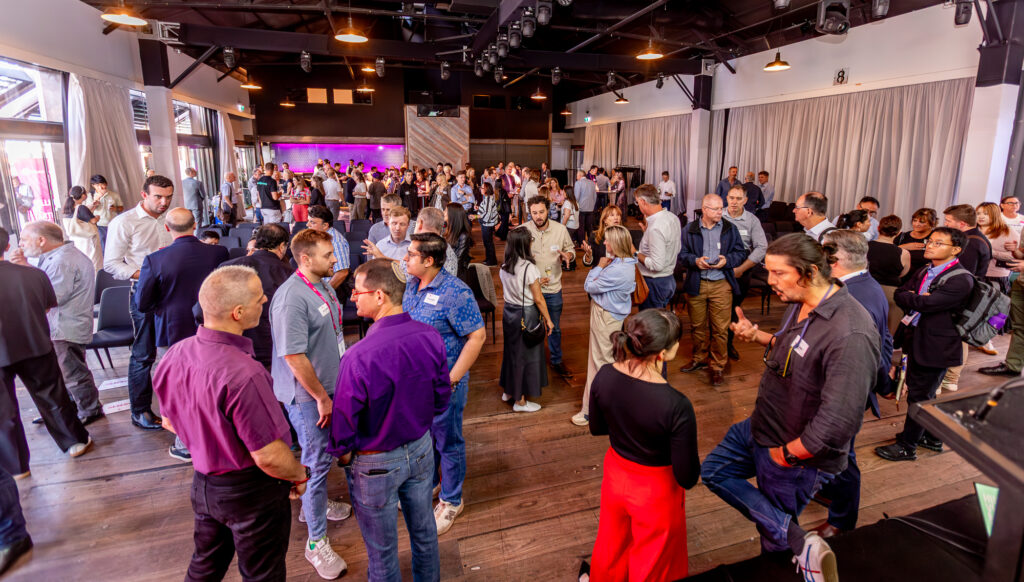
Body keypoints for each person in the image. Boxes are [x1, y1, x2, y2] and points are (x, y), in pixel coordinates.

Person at [704, 233, 880, 582]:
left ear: (810, 272)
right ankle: (799, 539)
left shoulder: (850, 333)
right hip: (762, 425)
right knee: (714, 471)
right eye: (769, 271)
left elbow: (839, 420)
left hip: (792, 449)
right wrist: (757, 336)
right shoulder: (801, 303)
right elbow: (795, 349)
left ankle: (793, 561)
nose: (770, 281)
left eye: (778, 273)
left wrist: (787, 455)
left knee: (774, 544)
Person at [153, 266, 309, 581]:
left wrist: (207, 440)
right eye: (258, 297)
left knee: (205, 566)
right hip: (250, 491)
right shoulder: (245, 374)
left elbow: (168, 421)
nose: (265, 300)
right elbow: (268, 456)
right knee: (262, 574)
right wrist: (298, 474)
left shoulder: (174, 355)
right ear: (238, 313)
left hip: (204, 483)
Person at [329, 259, 450, 582]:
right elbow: (441, 397)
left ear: (379, 296)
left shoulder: (358, 355)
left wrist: (343, 455)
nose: (352, 297)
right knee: (425, 533)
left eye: (357, 291)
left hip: (375, 462)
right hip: (421, 449)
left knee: (382, 552)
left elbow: (343, 421)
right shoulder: (430, 336)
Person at [587, 309, 699, 582]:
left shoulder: (604, 375)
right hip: (655, 489)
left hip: (616, 474)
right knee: (652, 562)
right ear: (663, 353)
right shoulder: (676, 405)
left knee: (611, 547)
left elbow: (597, 428)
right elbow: (687, 477)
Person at [270, 229, 351, 579]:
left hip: (328, 388)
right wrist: (321, 397)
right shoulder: (291, 298)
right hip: (308, 396)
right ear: (305, 259)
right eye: (328, 254)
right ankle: (316, 543)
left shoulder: (324, 285)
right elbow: (293, 356)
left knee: (322, 460)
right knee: (315, 464)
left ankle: (312, 504)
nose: (335, 260)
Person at [403, 232, 485, 535]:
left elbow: (477, 337)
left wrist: (452, 379)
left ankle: (452, 499)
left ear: (428, 260)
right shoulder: (412, 284)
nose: (405, 258)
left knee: (449, 441)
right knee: (427, 437)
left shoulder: (456, 292)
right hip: (416, 381)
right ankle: (435, 483)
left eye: (411, 254)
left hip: (444, 382)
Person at [815, 229, 893, 537]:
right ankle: (828, 490)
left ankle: (841, 521)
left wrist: (880, 384)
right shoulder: (863, 284)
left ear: (835, 260)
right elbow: (885, 338)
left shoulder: (855, 296)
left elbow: (868, 350)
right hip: (841, 385)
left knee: (842, 455)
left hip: (845, 391)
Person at [0, 226, 93, 478]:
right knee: (52, 396)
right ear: (7, 246)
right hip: (34, 342)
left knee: (2, 410)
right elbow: (48, 305)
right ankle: (75, 442)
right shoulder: (33, 274)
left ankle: (16, 467)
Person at [875, 227, 974, 462]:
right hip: (918, 338)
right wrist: (917, 299)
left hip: (937, 347)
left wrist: (917, 299)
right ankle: (931, 437)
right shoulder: (925, 269)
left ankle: (907, 446)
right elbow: (900, 293)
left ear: (955, 250)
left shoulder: (961, 279)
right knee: (921, 392)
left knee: (920, 397)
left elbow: (925, 304)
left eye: (938, 243)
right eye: (930, 241)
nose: (929, 245)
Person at [13, 222, 104, 426]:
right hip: (61, 325)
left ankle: (90, 410)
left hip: (66, 326)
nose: (20, 244)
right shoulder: (58, 257)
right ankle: (69, 409)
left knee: (73, 373)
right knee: (62, 372)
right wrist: (26, 267)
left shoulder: (62, 261)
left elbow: (50, 298)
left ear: (41, 240)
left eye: (24, 239)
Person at [103, 174, 174, 430]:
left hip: (174, 292)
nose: (164, 202)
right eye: (158, 197)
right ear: (144, 195)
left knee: (177, 349)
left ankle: (180, 407)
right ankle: (140, 410)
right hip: (144, 292)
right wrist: (146, 275)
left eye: (168, 197)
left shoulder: (172, 218)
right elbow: (111, 264)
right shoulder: (124, 222)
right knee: (144, 354)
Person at [678, 194, 749, 386]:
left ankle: (718, 365)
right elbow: (681, 255)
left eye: (721, 208)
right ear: (705, 210)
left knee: (720, 329)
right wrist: (695, 261)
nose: (721, 212)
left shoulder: (729, 229)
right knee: (697, 327)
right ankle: (699, 359)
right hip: (697, 284)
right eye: (716, 209)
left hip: (721, 285)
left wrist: (728, 261)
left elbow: (740, 253)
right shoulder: (689, 229)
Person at [572, 226, 637, 427]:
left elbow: (589, 286)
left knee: (599, 364)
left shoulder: (617, 269)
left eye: (608, 240)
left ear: (616, 243)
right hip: (611, 315)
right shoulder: (625, 262)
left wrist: (599, 267)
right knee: (604, 361)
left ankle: (594, 411)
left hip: (605, 317)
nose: (605, 243)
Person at [499, 227, 554, 413]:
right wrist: (548, 320)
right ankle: (520, 401)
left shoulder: (504, 266)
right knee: (524, 357)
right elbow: (538, 299)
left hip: (509, 313)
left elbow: (516, 287)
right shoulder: (529, 268)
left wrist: (537, 282)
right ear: (525, 244)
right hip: (526, 315)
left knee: (511, 353)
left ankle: (509, 390)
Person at [222, 224, 292, 370]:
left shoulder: (227, 268)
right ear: (282, 247)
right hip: (275, 352)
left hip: (232, 350)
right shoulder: (290, 275)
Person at [939, 204, 991, 392]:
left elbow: (962, 275)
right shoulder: (975, 238)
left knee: (957, 337)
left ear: (962, 223)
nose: (945, 224)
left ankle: (950, 377)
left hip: (963, 296)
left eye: (948, 221)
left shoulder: (971, 243)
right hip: (966, 295)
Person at [524, 196, 577, 378]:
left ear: (548, 211)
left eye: (541, 212)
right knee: (531, 328)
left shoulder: (560, 230)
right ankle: (534, 363)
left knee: (554, 327)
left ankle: (556, 360)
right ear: (529, 213)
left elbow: (570, 249)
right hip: (530, 290)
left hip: (553, 289)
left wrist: (569, 256)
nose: (538, 216)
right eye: (534, 213)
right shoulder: (523, 230)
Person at [723, 186, 768, 361]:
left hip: (742, 268)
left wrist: (741, 269)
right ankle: (712, 346)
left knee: (734, 309)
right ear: (726, 198)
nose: (734, 202)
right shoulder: (719, 215)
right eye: (731, 198)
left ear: (745, 200)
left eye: (738, 198)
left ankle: (728, 345)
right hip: (719, 267)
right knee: (715, 309)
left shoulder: (752, 220)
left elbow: (761, 247)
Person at [636, 184, 682, 310]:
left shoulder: (656, 227)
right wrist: (648, 235)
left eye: (637, 203)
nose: (638, 206)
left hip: (654, 284)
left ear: (643, 202)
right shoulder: (673, 218)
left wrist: (634, 252)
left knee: (651, 321)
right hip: (669, 280)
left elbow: (657, 265)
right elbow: (677, 248)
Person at [871, 215, 912, 335]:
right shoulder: (903, 253)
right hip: (890, 297)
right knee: (887, 335)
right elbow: (903, 273)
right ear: (898, 233)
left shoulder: (863, 246)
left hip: (865, 290)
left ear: (878, 228)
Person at [306, 205, 351, 291]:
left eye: (312, 222)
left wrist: (325, 293)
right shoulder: (318, 236)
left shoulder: (336, 241)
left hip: (327, 290)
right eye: (308, 221)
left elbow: (342, 273)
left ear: (325, 225)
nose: (307, 225)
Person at [62, 186, 103, 271]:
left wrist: (93, 207)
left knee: (84, 261)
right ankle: (96, 278)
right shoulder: (81, 207)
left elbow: (81, 218)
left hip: (77, 240)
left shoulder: (68, 208)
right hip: (88, 239)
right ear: (83, 196)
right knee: (94, 261)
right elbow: (93, 221)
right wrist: (98, 217)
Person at [894, 208, 937, 283]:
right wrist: (904, 247)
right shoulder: (902, 236)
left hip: (924, 280)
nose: (916, 224)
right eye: (915, 220)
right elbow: (889, 254)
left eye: (922, 222)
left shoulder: (936, 238)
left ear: (932, 223)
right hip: (899, 280)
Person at [89, 174, 123, 246]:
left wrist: (115, 208)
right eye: (97, 185)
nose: (100, 187)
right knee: (103, 245)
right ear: (93, 185)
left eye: (102, 184)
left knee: (116, 244)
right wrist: (97, 199)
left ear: (106, 184)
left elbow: (121, 208)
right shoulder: (90, 196)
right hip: (99, 225)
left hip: (113, 223)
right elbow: (88, 211)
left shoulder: (114, 195)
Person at [445, 202, 473, 279]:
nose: (443, 213)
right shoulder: (447, 230)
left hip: (456, 274)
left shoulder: (464, 236)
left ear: (452, 215)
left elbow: (458, 260)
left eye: (446, 211)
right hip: (447, 270)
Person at [477, 182, 500, 266]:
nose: (481, 189)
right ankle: (488, 258)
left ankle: (492, 261)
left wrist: (478, 218)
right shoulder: (488, 198)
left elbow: (487, 214)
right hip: (487, 224)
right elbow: (486, 210)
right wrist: (479, 208)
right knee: (487, 242)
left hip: (487, 224)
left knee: (488, 243)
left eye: (482, 188)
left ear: (486, 189)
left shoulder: (488, 199)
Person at [573, 170, 598, 242]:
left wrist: (574, 206)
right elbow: (595, 196)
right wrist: (592, 206)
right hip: (590, 208)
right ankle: (591, 242)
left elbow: (576, 197)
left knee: (581, 227)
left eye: (577, 175)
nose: (576, 177)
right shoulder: (592, 183)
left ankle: (582, 243)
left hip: (581, 208)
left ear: (580, 175)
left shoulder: (578, 183)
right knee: (589, 227)